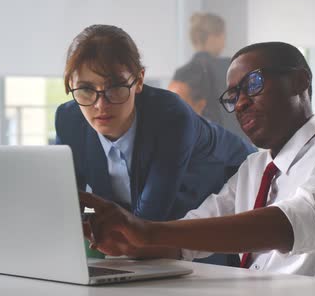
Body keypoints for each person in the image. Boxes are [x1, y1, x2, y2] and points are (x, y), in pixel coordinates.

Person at [80, 42, 315, 284]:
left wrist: (147, 232)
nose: (239, 103)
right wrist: (129, 242)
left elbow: (291, 223)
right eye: (233, 95)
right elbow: (189, 235)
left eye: (252, 84)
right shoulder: (253, 168)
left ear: (299, 81)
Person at [54, 24, 255, 230]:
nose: (100, 104)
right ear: (71, 84)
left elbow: (147, 224)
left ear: (139, 80)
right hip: (168, 221)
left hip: (235, 187)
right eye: (86, 89)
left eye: (115, 87)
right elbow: (71, 206)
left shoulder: (170, 116)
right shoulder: (68, 120)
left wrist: (90, 220)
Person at [168, 13, 245, 139]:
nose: (224, 43)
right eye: (223, 37)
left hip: (202, 144)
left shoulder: (182, 73)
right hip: (235, 145)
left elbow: (175, 116)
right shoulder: (231, 67)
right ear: (213, 37)